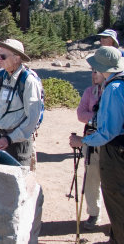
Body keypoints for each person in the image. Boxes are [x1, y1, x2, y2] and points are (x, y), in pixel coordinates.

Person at [69, 46, 124, 243]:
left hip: (116, 153)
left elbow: (108, 132)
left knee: (115, 195)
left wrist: (82, 140)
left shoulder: (114, 89)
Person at [0, 39, 42, 166]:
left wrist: (10, 139)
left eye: (3, 56)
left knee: (17, 183)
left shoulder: (29, 81)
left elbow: (33, 118)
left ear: (17, 58)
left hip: (18, 144)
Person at [76, 70, 105, 230]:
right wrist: (98, 118)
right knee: (91, 179)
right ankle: (94, 213)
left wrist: (93, 116)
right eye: (93, 71)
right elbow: (80, 114)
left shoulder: (116, 91)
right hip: (91, 140)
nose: (93, 75)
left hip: (111, 143)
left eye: (97, 72)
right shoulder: (89, 91)